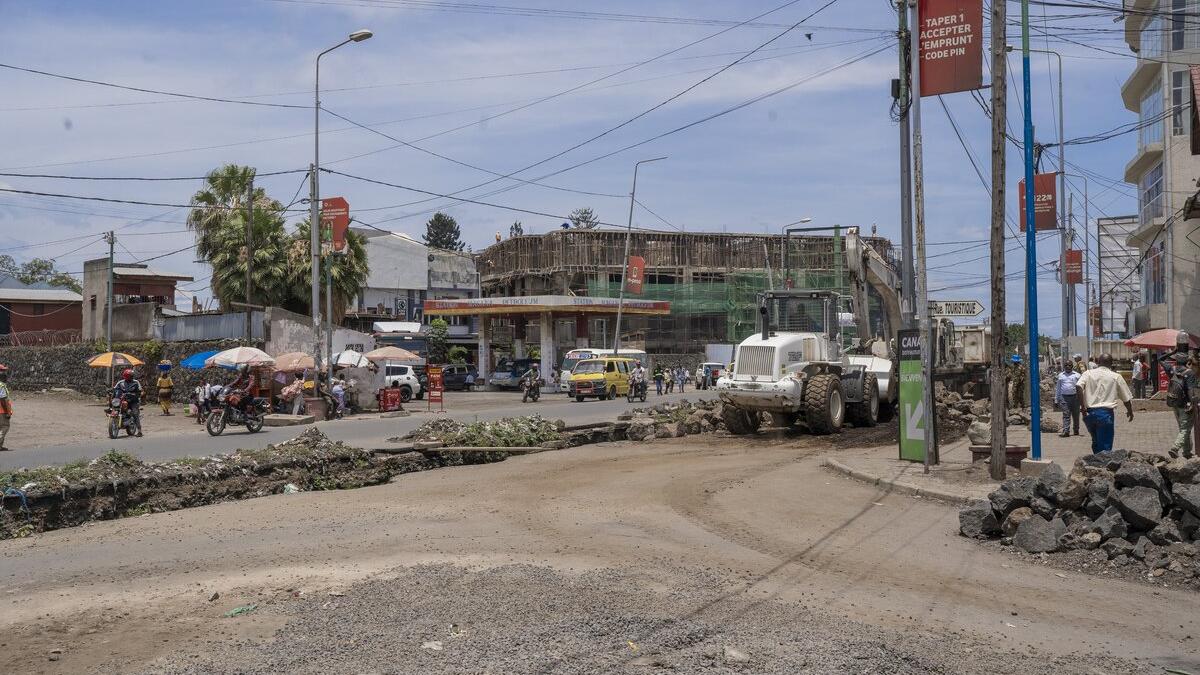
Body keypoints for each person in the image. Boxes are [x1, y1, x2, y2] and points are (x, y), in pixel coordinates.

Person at [1076, 353, 1134, 455]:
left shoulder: (1088, 373)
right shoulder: (1116, 376)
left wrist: (1083, 408)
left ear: (1098, 362)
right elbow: (1126, 398)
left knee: (1096, 442)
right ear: (1111, 363)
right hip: (1105, 414)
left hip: (1089, 414)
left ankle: (1096, 465)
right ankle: (1103, 467)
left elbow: (1078, 386)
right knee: (1105, 446)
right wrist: (1130, 411)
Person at [1166, 356, 1197, 459]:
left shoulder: (1172, 370)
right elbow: (1190, 390)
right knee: (1185, 429)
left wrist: (1174, 352)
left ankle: (1187, 452)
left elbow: (1160, 360)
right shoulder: (1190, 373)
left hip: (1175, 403)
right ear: (1188, 362)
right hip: (1185, 405)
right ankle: (1175, 448)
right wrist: (1192, 403)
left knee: (1183, 428)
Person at [113, 368, 144, 437]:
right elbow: (115, 390)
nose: (132, 377)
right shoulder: (120, 382)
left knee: (135, 413)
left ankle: (139, 431)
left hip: (133, 401)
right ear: (126, 376)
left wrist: (136, 395)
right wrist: (111, 393)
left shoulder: (136, 382)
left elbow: (140, 391)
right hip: (123, 400)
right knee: (113, 407)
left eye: (132, 375)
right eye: (131, 375)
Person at [1055, 360, 1081, 437]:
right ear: (1064, 366)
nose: (1068, 367)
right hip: (1064, 398)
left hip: (1075, 397)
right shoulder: (1060, 376)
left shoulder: (1077, 375)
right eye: (1066, 365)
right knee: (1066, 414)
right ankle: (1066, 431)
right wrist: (1056, 399)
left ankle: (1076, 429)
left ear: (1072, 366)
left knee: (1076, 415)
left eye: (1069, 365)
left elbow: (1081, 388)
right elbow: (1058, 388)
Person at [0, 366, 12, 450]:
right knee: (4, 427)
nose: (5, 374)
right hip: (1, 411)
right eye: (3, 371)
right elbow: (3, 399)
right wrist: (7, 411)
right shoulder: (1, 385)